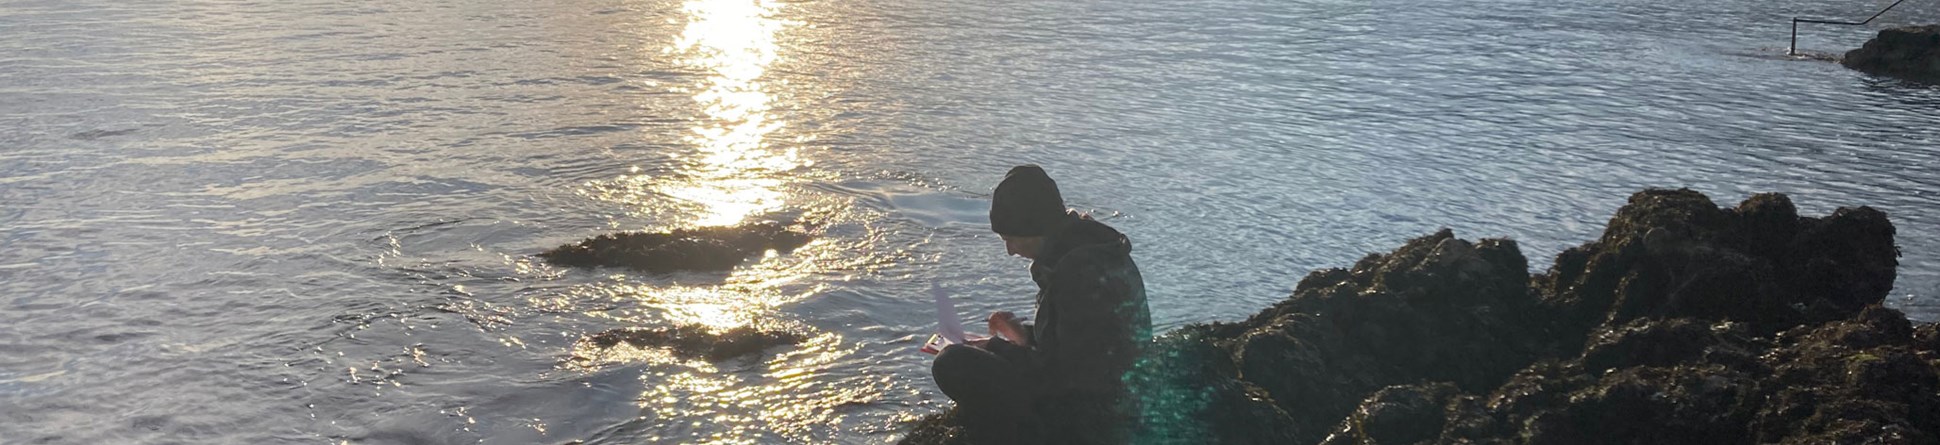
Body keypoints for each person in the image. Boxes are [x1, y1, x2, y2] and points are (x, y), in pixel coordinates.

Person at [931, 165, 1153, 444]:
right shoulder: (1084, 252)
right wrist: (1024, 334)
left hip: (1093, 413)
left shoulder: (1081, 272)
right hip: (1108, 393)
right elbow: (1082, 343)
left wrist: (997, 348)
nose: (1010, 250)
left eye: (1010, 238)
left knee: (952, 362)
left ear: (1033, 226)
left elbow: (1066, 374)